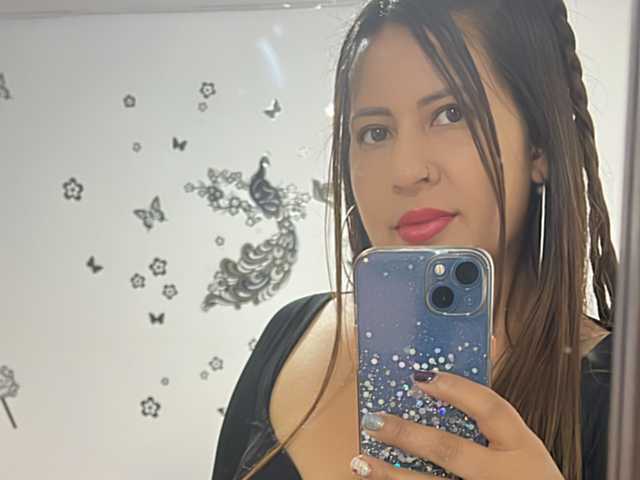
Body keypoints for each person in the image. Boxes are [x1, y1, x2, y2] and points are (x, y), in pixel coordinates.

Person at [212, 0, 617, 478]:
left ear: (539, 147)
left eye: (450, 114)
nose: (405, 171)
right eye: (374, 132)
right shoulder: (292, 334)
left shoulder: (616, 393)